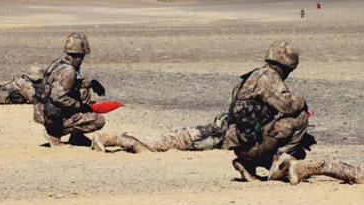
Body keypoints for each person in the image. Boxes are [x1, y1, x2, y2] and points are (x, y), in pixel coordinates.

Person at [220, 40, 313, 181]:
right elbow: (288, 106)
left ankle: (247, 164)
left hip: (240, 143)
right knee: (301, 117)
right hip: (252, 144)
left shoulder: (252, 76)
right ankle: (280, 164)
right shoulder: (269, 77)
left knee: (299, 151)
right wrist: (302, 101)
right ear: (288, 66)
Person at [33, 32, 106, 147]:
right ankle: (53, 134)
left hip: (44, 108)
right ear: (79, 56)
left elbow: (70, 84)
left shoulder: (59, 63)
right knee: (98, 120)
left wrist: (91, 83)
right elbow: (58, 98)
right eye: (82, 57)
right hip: (50, 114)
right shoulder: (69, 71)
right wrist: (80, 106)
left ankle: (77, 137)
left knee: (84, 91)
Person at [91, 112, 231, 153]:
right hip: (188, 138)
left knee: (150, 147)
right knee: (151, 146)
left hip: (195, 136)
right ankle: (111, 138)